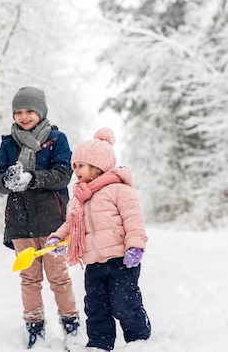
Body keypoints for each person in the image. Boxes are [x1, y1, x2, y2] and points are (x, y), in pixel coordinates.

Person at [46, 127, 151, 351]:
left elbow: (133, 219)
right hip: (93, 262)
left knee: (124, 302)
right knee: (96, 306)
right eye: (74, 166)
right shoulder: (79, 199)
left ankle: (139, 339)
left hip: (120, 259)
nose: (76, 171)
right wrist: (58, 238)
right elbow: (70, 225)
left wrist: (135, 246)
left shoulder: (119, 190)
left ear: (98, 166)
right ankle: (99, 344)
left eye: (81, 165)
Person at [0, 86, 80, 349]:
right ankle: (34, 326)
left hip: (54, 222)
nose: (24, 116)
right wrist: (8, 179)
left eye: (29, 110)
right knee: (29, 277)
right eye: (18, 112)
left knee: (58, 276)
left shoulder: (57, 139)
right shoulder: (8, 142)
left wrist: (32, 178)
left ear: (40, 112)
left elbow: (64, 174)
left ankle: (71, 324)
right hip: (20, 222)